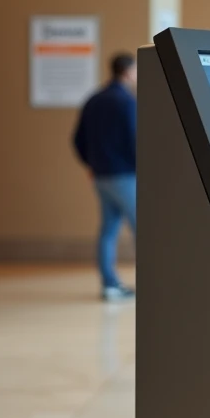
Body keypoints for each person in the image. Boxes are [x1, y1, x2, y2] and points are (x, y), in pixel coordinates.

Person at [72, 53, 138, 300]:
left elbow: (78, 139)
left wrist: (91, 163)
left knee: (108, 230)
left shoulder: (94, 100)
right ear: (128, 71)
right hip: (125, 176)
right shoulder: (127, 102)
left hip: (100, 176)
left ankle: (109, 284)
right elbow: (135, 141)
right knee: (143, 231)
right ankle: (155, 283)